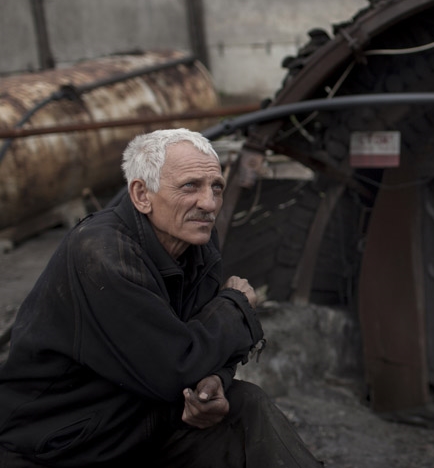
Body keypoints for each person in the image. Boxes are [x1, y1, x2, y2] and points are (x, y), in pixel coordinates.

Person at [0, 128, 323, 467]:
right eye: (190, 186)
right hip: (59, 445)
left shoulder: (196, 241)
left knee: (244, 405)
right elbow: (176, 368)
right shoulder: (101, 253)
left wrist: (215, 381)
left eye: (216, 187)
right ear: (142, 194)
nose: (209, 203)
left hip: (135, 420)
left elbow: (204, 352)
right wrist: (234, 306)